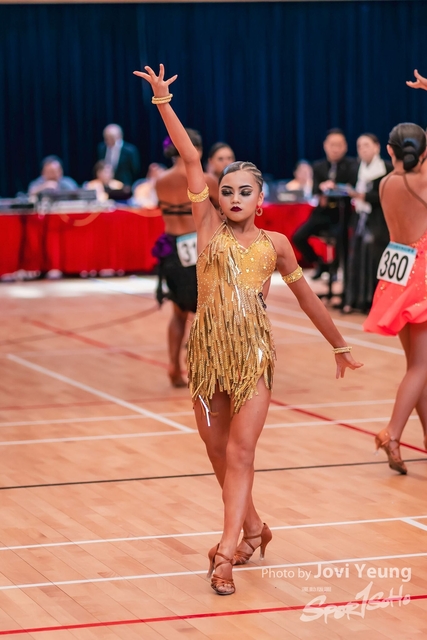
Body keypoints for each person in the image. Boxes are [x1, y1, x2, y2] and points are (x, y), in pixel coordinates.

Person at [134, 64, 362, 595]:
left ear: (261, 200)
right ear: (217, 197)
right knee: (217, 451)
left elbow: (307, 298)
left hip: (253, 355)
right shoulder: (207, 225)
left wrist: (339, 344)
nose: (234, 197)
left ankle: (226, 553)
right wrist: (164, 102)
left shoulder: (276, 245)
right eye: (227, 190)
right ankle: (255, 527)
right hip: (208, 353)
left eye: (245, 191)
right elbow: (191, 158)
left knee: (240, 454)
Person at [364, 71, 427, 474]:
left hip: (395, 272)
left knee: (417, 365)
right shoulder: (423, 181)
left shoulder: (386, 183)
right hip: (422, 274)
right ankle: (392, 432)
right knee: (422, 367)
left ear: (389, 151)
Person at [151, 130, 218, 388]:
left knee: (178, 314)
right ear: (195, 149)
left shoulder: (160, 181)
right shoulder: (206, 179)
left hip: (172, 249)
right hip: (199, 250)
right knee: (209, 314)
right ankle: (205, 369)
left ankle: (174, 367)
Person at [292, 129, 358, 278]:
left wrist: (337, 187)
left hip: (343, 213)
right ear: (325, 146)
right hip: (322, 212)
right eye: (332, 145)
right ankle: (320, 263)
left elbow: (353, 187)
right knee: (298, 237)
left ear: (345, 146)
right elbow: (314, 190)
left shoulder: (353, 165)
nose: (335, 149)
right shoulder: (318, 166)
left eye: (339, 145)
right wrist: (322, 187)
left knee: (341, 237)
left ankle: (335, 268)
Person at [343, 134, 392, 313]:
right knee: (355, 256)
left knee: (373, 254)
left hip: (379, 220)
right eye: (359, 146)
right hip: (360, 218)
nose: (363, 149)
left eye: (366, 145)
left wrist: (365, 196)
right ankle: (355, 299)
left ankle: (373, 299)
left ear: (377, 147)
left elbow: (388, 194)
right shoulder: (356, 168)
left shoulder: (387, 168)